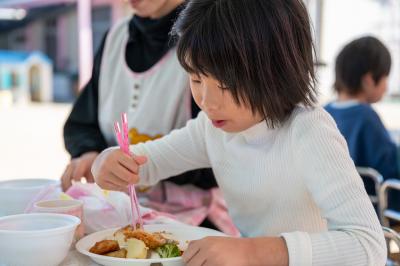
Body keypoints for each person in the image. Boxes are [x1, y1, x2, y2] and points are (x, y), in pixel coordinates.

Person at [92, 0, 386, 265]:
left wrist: (254, 252)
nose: (207, 102)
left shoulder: (309, 131)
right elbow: (146, 162)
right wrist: (109, 162)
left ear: (277, 71)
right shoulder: (212, 128)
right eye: (195, 79)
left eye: (226, 85)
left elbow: (368, 245)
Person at [62, 0, 218, 228]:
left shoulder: (209, 38)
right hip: (118, 204)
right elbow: (83, 122)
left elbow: (221, 149)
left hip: (195, 213)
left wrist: (139, 162)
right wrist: (89, 152)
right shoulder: (115, 38)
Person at [325, 36, 400, 212]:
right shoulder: (366, 117)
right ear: (368, 80)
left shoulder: (325, 112)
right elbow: (389, 167)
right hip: (367, 212)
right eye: (385, 79)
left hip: (331, 207)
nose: (386, 87)